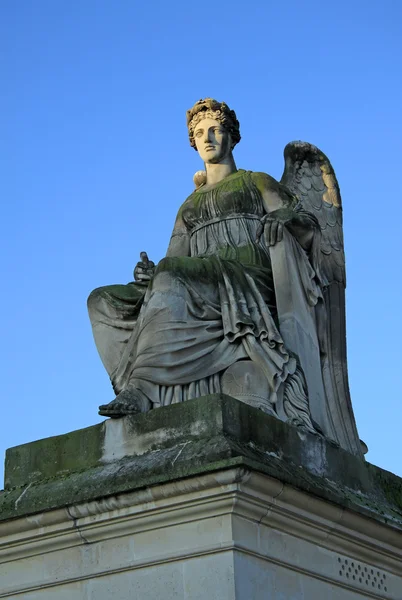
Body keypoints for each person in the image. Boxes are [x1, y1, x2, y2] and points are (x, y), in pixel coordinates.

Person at [87, 98, 319, 430]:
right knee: (102, 301)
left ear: (231, 136)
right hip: (202, 282)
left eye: (214, 130)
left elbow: (308, 226)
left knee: (170, 277)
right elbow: (174, 261)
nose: (207, 138)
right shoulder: (189, 204)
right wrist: (149, 274)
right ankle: (144, 382)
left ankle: (141, 387)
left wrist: (284, 215)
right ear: (193, 143)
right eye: (199, 133)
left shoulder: (257, 182)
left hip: (246, 280)